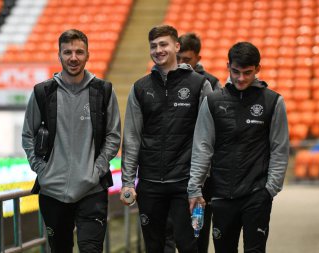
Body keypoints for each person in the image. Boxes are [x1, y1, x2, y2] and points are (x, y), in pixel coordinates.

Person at [22, 29, 121, 253]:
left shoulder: (103, 91)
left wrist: (97, 170)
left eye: (79, 52)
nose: (73, 57)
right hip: (52, 191)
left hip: (92, 189)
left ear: (88, 55)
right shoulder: (42, 92)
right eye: (67, 52)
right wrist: (42, 170)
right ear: (59, 55)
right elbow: (28, 135)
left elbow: (113, 136)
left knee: (91, 249)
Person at [188, 41, 289, 253]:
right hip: (221, 195)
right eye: (236, 71)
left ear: (257, 69)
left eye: (247, 72)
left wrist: (270, 189)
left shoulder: (273, 102)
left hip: (257, 194)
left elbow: (279, 149)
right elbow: (202, 147)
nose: (241, 78)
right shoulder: (213, 102)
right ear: (228, 66)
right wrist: (195, 187)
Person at [120, 24, 213, 253]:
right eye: (153, 46)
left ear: (176, 46)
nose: (158, 50)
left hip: (185, 184)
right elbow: (132, 138)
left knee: (189, 246)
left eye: (164, 44)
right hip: (150, 184)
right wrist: (128, 182)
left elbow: (207, 139)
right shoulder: (140, 88)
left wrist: (197, 184)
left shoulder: (199, 85)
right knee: (154, 247)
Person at [163, 32, 221, 253]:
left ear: (198, 57)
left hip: (201, 172)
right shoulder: (165, 81)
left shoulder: (211, 84)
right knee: (168, 231)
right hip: (172, 169)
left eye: (187, 59)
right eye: (179, 58)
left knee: (197, 233)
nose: (182, 63)